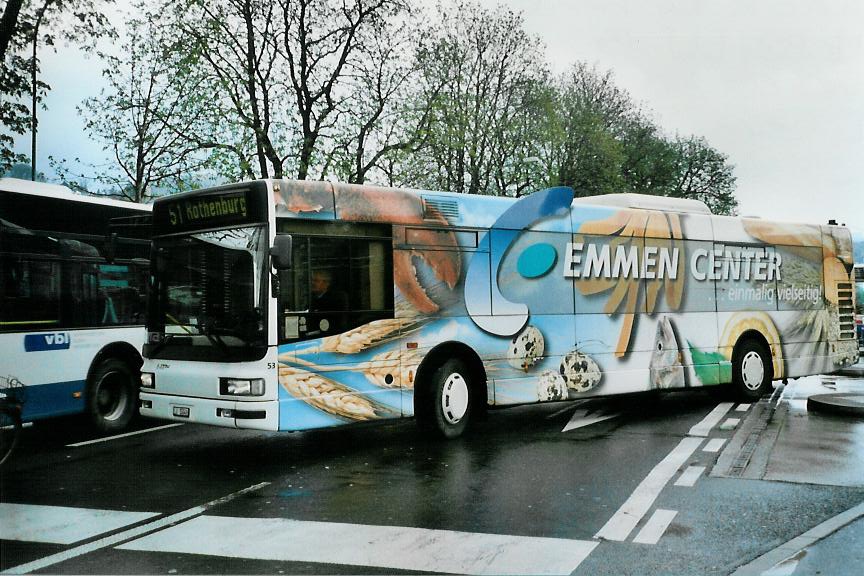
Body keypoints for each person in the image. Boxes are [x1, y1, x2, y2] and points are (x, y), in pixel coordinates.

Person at [309, 269, 347, 334]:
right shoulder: (311, 298)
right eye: (312, 280)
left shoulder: (335, 299)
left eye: (316, 281)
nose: (313, 283)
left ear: (326, 283)